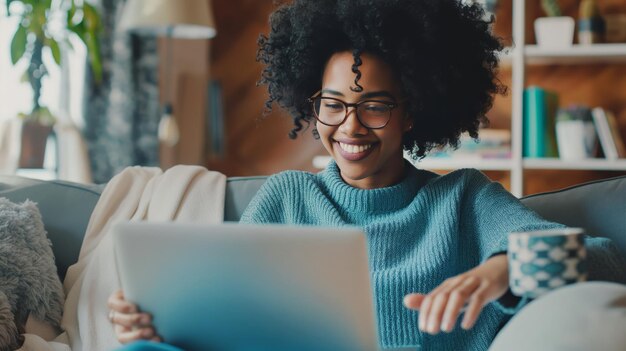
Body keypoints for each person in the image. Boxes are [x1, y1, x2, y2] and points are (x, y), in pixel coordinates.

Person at [107, 0, 626, 350]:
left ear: (412, 111)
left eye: (374, 106)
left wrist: (505, 268)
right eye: (332, 105)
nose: (349, 126)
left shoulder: (462, 198)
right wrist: (152, 322)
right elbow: (225, 313)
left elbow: (605, 258)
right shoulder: (287, 197)